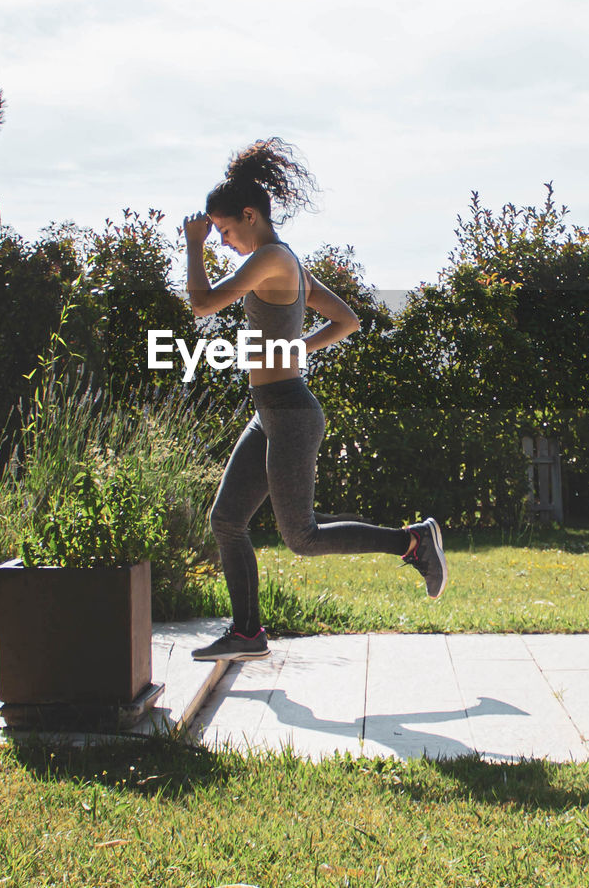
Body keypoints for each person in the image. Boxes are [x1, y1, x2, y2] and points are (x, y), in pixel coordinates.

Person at [182, 137, 446, 662]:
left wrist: (192, 243)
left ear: (250, 216)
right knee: (227, 520)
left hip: (290, 411)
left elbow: (202, 305)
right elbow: (346, 320)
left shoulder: (272, 257)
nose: (224, 241)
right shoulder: (289, 264)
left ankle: (412, 541)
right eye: (216, 235)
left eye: (226, 230)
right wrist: (299, 345)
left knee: (300, 535)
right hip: (272, 413)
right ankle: (248, 633)